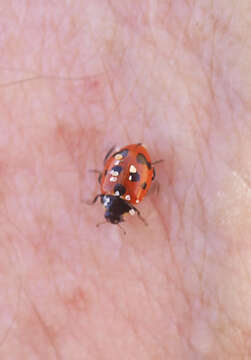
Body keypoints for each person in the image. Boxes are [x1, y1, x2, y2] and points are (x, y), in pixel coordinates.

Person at [1, 1, 250, 358]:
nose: (114, 214)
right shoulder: (121, 191)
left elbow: (126, 177)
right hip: (132, 161)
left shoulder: (123, 193)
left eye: (112, 212)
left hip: (132, 160)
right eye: (114, 213)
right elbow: (125, 176)